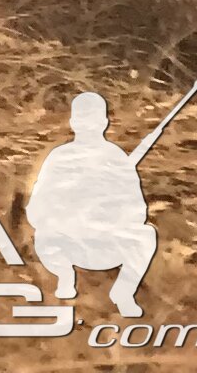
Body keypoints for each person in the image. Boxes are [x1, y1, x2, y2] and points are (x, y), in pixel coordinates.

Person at [28, 91, 161, 317]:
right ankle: (64, 276)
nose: (88, 127)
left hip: (105, 244)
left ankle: (124, 292)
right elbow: (37, 208)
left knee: (145, 236)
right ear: (73, 123)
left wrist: (107, 216)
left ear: (104, 123)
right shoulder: (59, 158)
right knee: (43, 233)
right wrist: (66, 213)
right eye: (83, 121)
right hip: (66, 244)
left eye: (93, 121)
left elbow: (137, 210)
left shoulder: (117, 158)